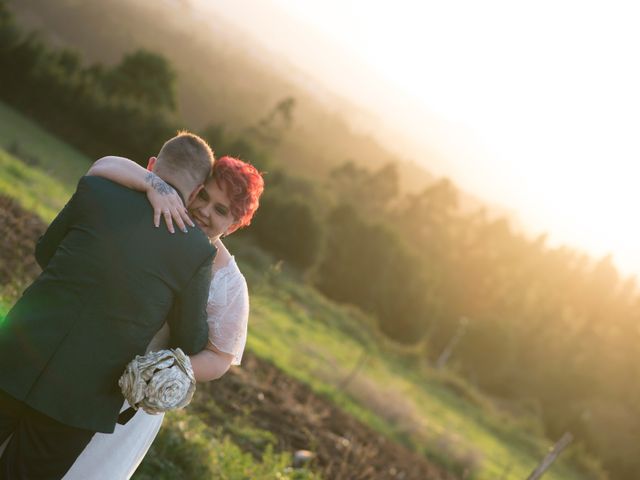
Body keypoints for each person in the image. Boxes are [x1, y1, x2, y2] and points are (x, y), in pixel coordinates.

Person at [0, 132, 216, 479]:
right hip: (79, 401)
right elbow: (190, 341)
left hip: (15, 352)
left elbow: (45, 252)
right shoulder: (196, 251)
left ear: (150, 166)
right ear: (195, 193)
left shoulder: (97, 189)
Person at [61, 153, 264, 479]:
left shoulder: (230, 283)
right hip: (84, 358)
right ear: (194, 188)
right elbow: (106, 165)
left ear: (235, 224)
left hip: (136, 392)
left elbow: (220, 357)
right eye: (204, 196)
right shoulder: (158, 212)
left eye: (221, 210)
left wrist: (165, 368)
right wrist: (153, 185)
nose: (204, 211)